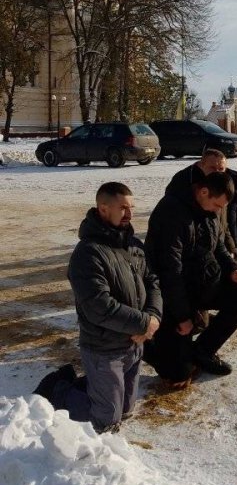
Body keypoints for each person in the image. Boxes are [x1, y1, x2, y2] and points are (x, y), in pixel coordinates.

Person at [34, 182, 162, 434]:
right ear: (103, 209)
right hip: (104, 348)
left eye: (131, 207)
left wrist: (154, 316)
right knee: (106, 422)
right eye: (123, 208)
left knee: (125, 410)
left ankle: (93, 387)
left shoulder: (133, 245)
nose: (130, 214)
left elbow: (152, 281)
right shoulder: (88, 254)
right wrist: (143, 323)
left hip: (135, 342)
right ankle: (58, 391)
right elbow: (98, 306)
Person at [145, 171, 237, 383]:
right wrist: (183, 316)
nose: (219, 211)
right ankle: (144, 343)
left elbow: (218, 246)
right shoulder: (172, 213)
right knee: (178, 374)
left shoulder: (209, 209)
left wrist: (233, 268)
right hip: (172, 295)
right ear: (204, 192)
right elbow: (170, 271)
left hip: (201, 283)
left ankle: (203, 350)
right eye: (217, 205)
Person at [165, 145, 237, 267]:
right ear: (201, 165)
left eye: (221, 169)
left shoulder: (222, 183)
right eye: (213, 168)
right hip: (194, 249)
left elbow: (224, 222)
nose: (217, 172)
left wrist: (231, 248)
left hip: (217, 242)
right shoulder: (185, 183)